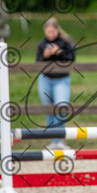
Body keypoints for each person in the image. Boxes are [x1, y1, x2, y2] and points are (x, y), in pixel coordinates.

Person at [36, 17, 75, 150]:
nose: (51, 34)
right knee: (48, 109)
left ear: (57, 30)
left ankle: (59, 140)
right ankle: (54, 140)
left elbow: (72, 58)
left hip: (61, 78)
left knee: (61, 108)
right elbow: (37, 63)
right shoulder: (42, 44)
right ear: (44, 31)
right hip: (45, 79)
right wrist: (45, 56)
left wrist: (59, 52)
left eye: (53, 32)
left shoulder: (66, 41)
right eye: (48, 32)